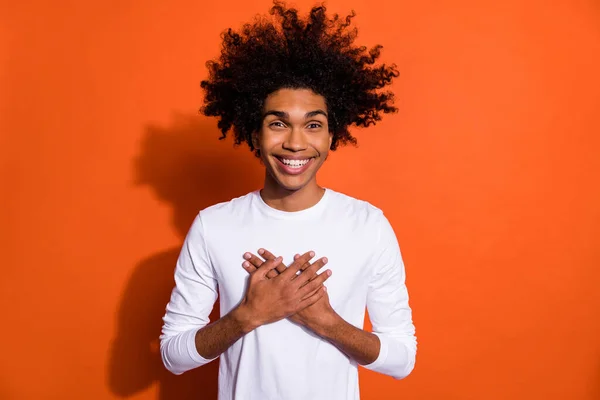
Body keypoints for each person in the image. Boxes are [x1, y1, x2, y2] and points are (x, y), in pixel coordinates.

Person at [160, 2, 417, 399]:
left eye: (313, 125)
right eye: (278, 123)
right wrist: (249, 315)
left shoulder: (367, 224)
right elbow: (173, 355)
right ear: (254, 132)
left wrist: (326, 321)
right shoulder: (214, 225)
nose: (296, 143)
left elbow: (402, 359)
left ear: (332, 136)